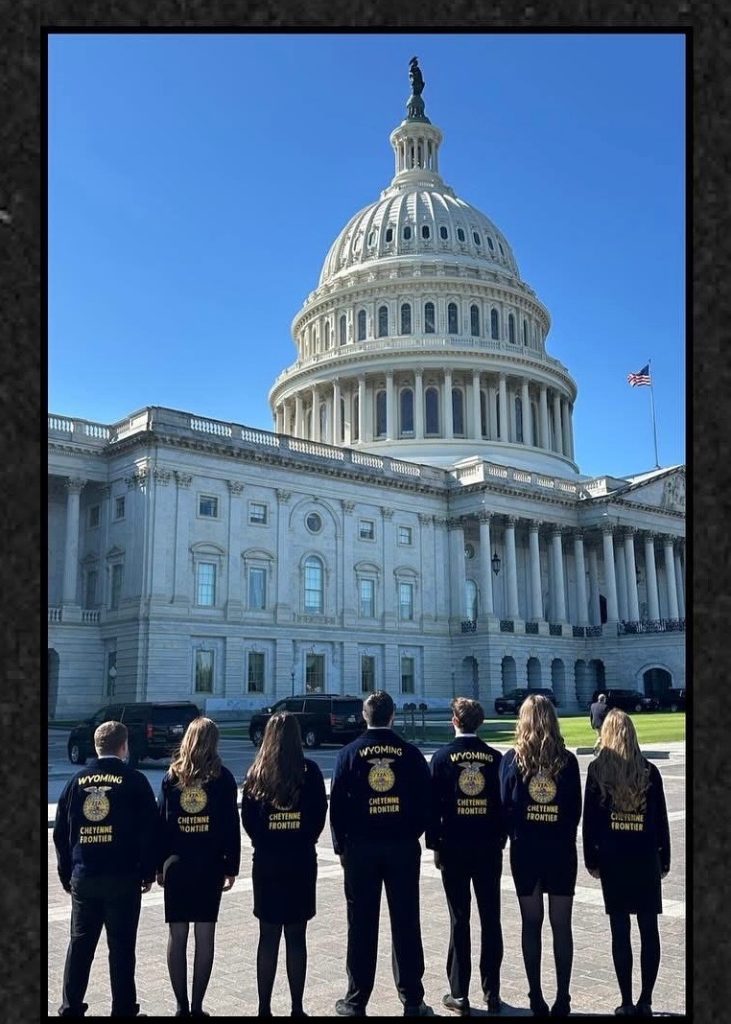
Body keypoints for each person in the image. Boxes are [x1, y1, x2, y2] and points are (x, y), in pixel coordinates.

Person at [330, 690, 433, 1017]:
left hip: (361, 848)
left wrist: (342, 847)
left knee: (360, 924)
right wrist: (409, 833)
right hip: (401, 846)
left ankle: (356, 1000)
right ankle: (413, 1000)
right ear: (392, 716)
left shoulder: (348, 754)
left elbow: (339, 808)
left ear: (365, 715)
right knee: (406, 921)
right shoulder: (411, 754)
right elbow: (424, 804)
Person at [53, 720, 159, 1017]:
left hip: (85, 876)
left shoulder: (76, 782)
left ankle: (70, 1007)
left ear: (97, 747)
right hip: (123, 876)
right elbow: (149, 831)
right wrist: (148, 871)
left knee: (80, 946)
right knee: (122, 948)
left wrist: (66, 874)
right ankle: (123, 1008)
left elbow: (61, 832)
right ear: (124, 747)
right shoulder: (135, 781)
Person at [582, 709, 671, 1017]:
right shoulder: (649, 771)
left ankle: (626, 1000)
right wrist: (665, 859)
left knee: (620, 930)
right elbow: (660, 822)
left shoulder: (596, 771)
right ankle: (646, 999)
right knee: (649, 928)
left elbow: (590, 823)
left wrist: (591, 859)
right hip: (644, 856)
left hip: (613, 860)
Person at [499, 694, 582, 1017]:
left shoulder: (512, 759)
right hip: (559, 848)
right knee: (562, 924)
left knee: (531, 923)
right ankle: (563, 996)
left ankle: (536, 995)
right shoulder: (567, 761)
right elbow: (574, 810)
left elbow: (505, 805)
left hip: (526, 849)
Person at [241, 712, 327, 1018]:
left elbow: (249, 821)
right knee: (296, 936)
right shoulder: (311, 771)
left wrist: (268, 840)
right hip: (300, 860)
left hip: (267, 862)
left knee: (268, 936)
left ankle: (264, 1008)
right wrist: (300, 837)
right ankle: (297, 1007)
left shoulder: (256, 773)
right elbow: (318, 818)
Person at [426, 697, 506, 1016]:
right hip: (487, 847)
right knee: (490, 919)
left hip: (454, 847)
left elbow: (432, 809)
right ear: (480, 722)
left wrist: (435, 845)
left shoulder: (443, 758)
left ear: (454, 721)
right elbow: (503, 805)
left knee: (460, 918)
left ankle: (459, 992)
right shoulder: (495, 757)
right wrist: (499, 838)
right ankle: (492, 991)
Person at [157, 716, 240, 1017]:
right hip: (209, 864)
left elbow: (162, 824)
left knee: (176, 936)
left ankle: (180, 1006)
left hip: (177, 863)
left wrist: (158, 865)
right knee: (205, 937)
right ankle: (197, 1006)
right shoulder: (224, 777)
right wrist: (232, 865)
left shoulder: (171, 777)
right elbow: (231, 824)